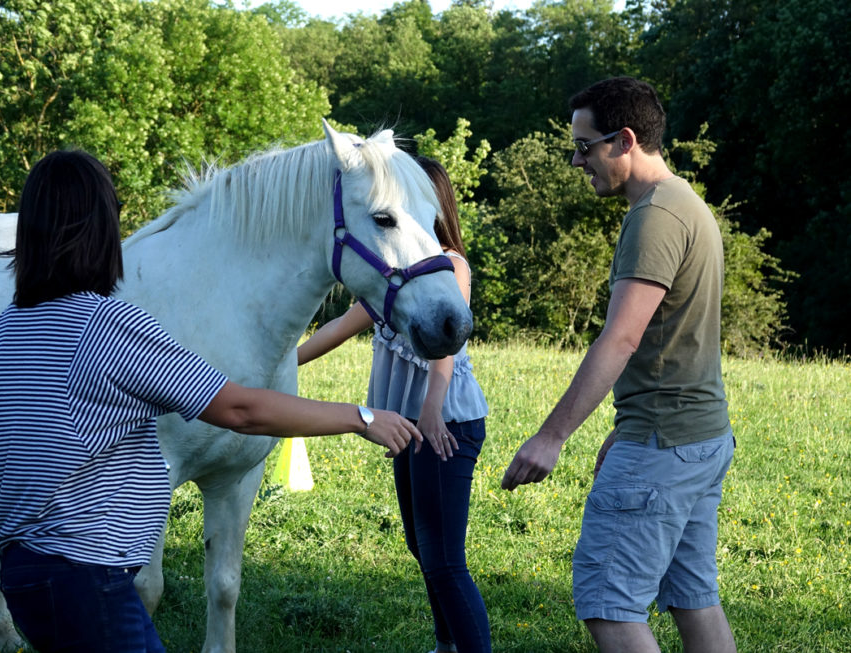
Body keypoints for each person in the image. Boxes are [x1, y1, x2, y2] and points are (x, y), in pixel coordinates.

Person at [0, 150, 425, 652]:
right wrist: (359, 417)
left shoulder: (5, 331)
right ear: (104, 233)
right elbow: (238, 409)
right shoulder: (113, 327)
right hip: (91, 582)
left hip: (25, 579)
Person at [502, 77, 736, 653]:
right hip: (697, 437)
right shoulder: (687, 203)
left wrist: (551, 437)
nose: (578, 161)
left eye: (585, 147)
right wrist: (624, 425)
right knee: (692, 596)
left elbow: (622, 338)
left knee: (611, 605)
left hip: (663, 448)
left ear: (625, 140)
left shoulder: (655, 217)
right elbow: (668, 340)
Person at [298, 156, 491, 653]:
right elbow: (337, 330)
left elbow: (447, 347)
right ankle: (445, 644)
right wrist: (281, 363)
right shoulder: (393, 279)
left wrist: (430, 411)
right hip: (409, 424)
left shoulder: (449, 266)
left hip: (445, 420)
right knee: (423, 549)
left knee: (446, 561)